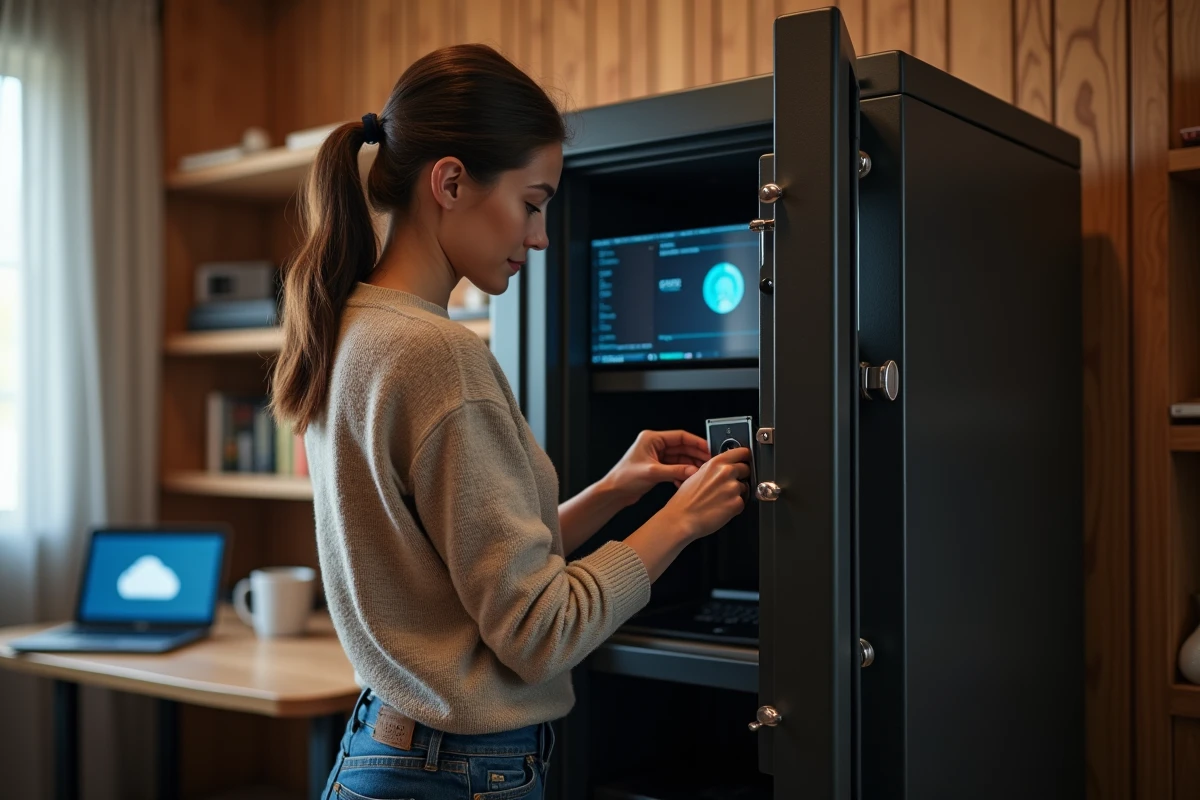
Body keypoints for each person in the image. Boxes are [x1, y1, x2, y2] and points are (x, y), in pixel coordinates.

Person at [271, 43, 752, 800]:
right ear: (451, 183)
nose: (540, 236)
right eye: (531, 203)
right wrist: (680, 523)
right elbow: (539, 632)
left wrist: (614, 492)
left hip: (389, 747)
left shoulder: (353, 329)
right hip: (455, 771)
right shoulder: (438, 355)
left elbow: (470, 573)